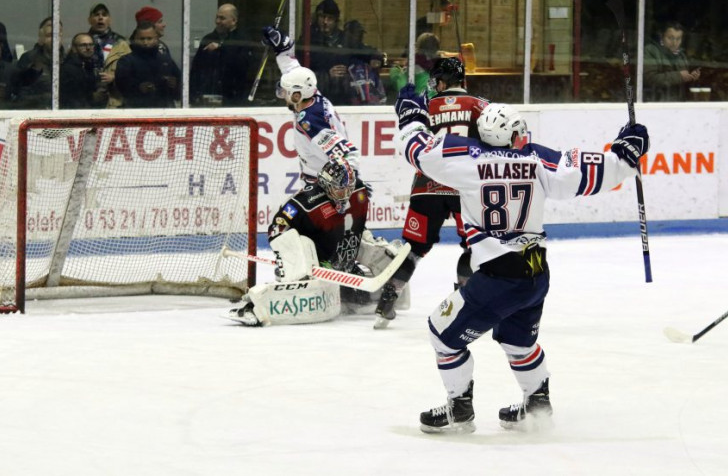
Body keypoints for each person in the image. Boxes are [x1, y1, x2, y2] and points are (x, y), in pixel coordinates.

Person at [391, 83, 649, 434]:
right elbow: (593, 172)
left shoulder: (463, 159)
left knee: (442, 333)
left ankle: (459, 409)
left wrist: (411, 115)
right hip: (535, 273)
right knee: (518, 341)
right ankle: (536, 403)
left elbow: (416, 148)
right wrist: (625, 152)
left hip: (497, 277)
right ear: (513, 135)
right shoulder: (537, 160)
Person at [374, 57, 488, 329]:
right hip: (465, 187)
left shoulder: (426, 105)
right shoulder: (482, 106)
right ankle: (462, 302)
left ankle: (386, 303)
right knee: (473, 246)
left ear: (439, 81)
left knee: (414, 248)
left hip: (427, 186)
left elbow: (410, 130)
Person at [226, 156, 405, 326]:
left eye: (348, 188)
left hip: (342, 266)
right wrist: (293, 259)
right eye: (340, 189)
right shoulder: (305, 202)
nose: (346, 194)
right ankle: (265, 298)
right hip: (317, 269)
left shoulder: (358, 191)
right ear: (326, 185)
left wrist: (366, 239)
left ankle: (354, 276)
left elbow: (351, 224)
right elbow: (276, 230)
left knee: (365, 280)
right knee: (301, 242)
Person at [260, 25, 361, 185]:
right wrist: (281, 46)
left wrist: (349, 186)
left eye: (285, 92)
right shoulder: (311, 95)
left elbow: (348, 155)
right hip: (318, 183)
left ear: (296, 95)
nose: (282, 95)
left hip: (324, 188)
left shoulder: (310, 120)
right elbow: (293, 69)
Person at [189, 3, 253, 107]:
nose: (217, 21)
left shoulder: (242, 40)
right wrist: (193, 95)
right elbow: (196, 68)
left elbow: (244, 66)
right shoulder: (208, 39)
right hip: (209, 95)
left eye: (222, 18)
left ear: (234, 21)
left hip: (233, 97)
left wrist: (222, 49)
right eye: (217, 17)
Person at [114, 21, 181, 108]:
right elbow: (121, 85)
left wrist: (174, 84)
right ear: (135, 39)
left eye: (149, 38)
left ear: (156, 39)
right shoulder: (126, 61)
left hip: (164, 110)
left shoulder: (166, 60)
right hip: (137, 110)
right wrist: (138, 87)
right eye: (141, 39)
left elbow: (181, 84)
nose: (145, 42)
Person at [301, 0, 349, 105]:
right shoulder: (308, 39)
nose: (325, 22)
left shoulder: (344, 38)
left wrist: (374, 58)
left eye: (330, 18)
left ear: (336, 20)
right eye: (322, 17)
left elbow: (361, 51)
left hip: (342, 98)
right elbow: (301, 71)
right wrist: (327, 74)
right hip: (316, 98)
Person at [9, 17, 62, 109]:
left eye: (58, 35)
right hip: (35, 110)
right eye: (49, 35)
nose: (54, 39)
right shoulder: (30, 58)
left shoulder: (66, 59)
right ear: (41, 36)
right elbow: (20, 90)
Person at [644, 20, 701, 102]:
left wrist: (691, 77)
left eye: (678, 39)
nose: (675, 43)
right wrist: (679, 76)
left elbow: (683, 84)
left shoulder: (681, 55)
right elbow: (649, 79)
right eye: (670, 38)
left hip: (678, 104)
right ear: (662, 36)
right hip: (657, 103)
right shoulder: (651, 51)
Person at [341, 19, 387, 105]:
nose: (360, 37)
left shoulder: (362, 48)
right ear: (348, 34)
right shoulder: (341, 49)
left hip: (364, 90)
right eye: (357, 34)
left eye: (360, 34)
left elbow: (378, 55)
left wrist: (377, 59)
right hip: (346, 89)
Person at [60, 33, 107, 109]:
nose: (88, 48)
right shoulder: (68, 69)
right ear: (74, 48)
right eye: (83, 45)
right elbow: (70, 98)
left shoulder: (89, 66)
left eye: (91, 44)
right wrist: (92, 97)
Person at [87, 3, 125, 84]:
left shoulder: (121, 42)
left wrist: (115, 77)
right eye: (96, 15)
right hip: (89, 90)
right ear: (89, 20)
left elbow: (130, 70)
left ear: (110, 20)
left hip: (114, 92)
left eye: (104, 15)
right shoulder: (82, 42)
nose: (100, 18)